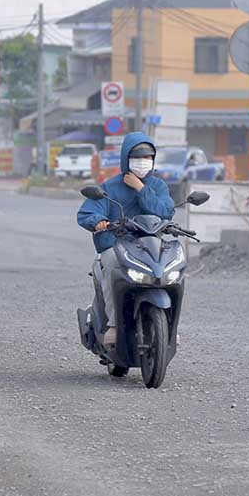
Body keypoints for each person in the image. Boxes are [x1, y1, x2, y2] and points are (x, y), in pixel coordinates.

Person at [76, 132, 174, 345]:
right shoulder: (110, 187)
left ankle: (171, 326)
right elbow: (87, 212)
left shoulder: (158, 186)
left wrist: (141, 188)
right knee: (112, 264)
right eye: (138, 157)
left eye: (148, 157)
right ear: (125, 158)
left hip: (149, 245)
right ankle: (113, 324)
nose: (143, 162)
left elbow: (166, 211)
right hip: (116, 245)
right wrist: (98, 221)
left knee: (174, 268)